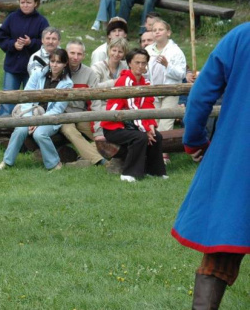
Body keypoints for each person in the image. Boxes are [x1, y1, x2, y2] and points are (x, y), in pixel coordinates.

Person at [171, 23, 250, 310]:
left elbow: (202, 93)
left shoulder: (242, 37)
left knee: (223, 246)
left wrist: (194, 140)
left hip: (239, 162)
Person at [0, 49, 73, 171]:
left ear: (65, 64)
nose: (54, 65)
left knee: (40, 134)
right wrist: (31, 119)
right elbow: (27, 97)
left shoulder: (67, 83)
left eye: (58, 62)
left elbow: (58, 109)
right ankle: (7, 161)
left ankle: (55, 164)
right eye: (52, 61)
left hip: (50, 118)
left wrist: (38, 122)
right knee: (20, 130)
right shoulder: (38, 74)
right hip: (30, 114)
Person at [101, 48, 167, 182]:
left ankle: (155, 172)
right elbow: (133, 108)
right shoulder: (125, 81)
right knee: (140, 137)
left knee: (156, 136)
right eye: (137, 62)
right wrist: (145, 129)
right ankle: (130, 174)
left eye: (144, 63)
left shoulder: (145, 83)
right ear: (129, 63)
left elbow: (148, 106)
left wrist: (151, 126)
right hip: (113, 127)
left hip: (132, 124)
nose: (141, 66)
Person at [0, 0, 50, 116]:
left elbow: (46, 42)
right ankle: (2, 128)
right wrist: (13, 44)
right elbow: (1, 37)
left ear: (35, 3)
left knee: (30, 100)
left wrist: (31, 43)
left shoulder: (42, 21)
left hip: (33, 69)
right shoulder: (11, 18)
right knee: (8, 99)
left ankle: (27, 128)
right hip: (12, 66)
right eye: (22, 2)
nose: (25, 5)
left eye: (29, 2)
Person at [145, 19, 186, 164]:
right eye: (154, 30)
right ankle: (151, 152)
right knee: (152, 122)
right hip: (153, 91)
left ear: (168, 32)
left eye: (160, 29)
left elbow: (181, 74)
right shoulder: (149, 50)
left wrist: (167, 65)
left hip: (170, 90)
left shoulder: (175, 51)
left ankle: (164, 153)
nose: (157, 32)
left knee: (166, 122)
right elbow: (145, 71)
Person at [60, 40, 105, 167]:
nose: (75, 57)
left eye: (79, 54)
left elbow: (95, 101)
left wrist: (97, 125)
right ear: (66, 53)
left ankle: (83, 158)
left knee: (105, 136)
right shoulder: (59, 69)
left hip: (81, 114)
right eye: (72, 53)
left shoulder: (89, 73)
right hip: (62, 115)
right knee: (70, 131)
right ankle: (100, 160)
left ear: (84, 56)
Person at [90, 37, 129, 140]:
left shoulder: (125, 67)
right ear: (109, 50)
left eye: (120, 51)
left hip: (120, 102)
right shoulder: (97, 67)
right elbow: (94, 88)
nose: (116, 54)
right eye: (114, 50)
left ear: (124, 53)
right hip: (101, 102)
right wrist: (115, 82)